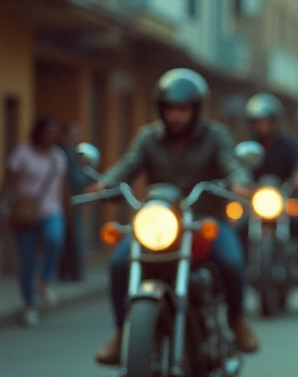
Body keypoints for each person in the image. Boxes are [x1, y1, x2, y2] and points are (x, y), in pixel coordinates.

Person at [87, 69, 259, 365]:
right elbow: (129, 165)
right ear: (161, 109)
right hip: (159, 220)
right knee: (118, 263)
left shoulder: (215, 136)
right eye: (170, 109)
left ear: (196, 109)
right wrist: (106, 183)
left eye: (183, 109)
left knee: (231, 260)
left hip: (203, 220)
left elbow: (231, 163)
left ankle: (237, 321)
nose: (176, 115)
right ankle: (120, 333)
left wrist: (240, 181)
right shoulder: (148, 137)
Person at [0, 116, 68, 327]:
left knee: (55, 239)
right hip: (24, 213)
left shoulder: (58, 157)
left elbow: (62, 187)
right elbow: (6, 184)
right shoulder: (22, 154)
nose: (51, 136)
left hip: (51, 210)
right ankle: (29, 306)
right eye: (48, 131)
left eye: (55, 132)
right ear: (38, 132)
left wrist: (68, 210)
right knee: (28, 259)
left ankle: (43, 281)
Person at [241, 92, 298, 283]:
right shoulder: (247, 146)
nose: (262, 125)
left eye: (266, 121)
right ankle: (240, 269)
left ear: (274, 122)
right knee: (238, 227)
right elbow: (238, 169)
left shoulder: (289, 144)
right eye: (257, 121)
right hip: (254, 201)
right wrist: (240, 185)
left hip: (285, 198)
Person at [58, 121, 90, 282]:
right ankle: (68, 272)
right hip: (66, 201)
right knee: (68, 236)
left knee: (74, 236)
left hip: (77, 199)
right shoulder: (62, 152)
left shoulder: (75, 152)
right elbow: (67, 179)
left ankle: (73, 272)